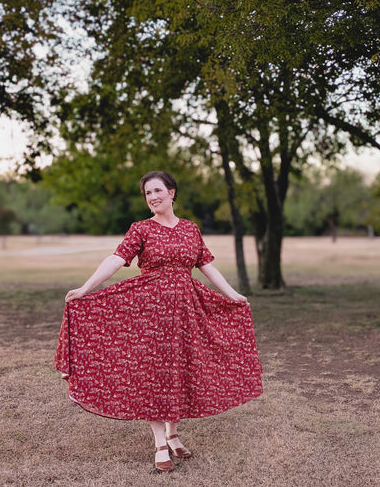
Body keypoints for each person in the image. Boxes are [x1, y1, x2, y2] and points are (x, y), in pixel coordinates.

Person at [53, 170, 262, 473]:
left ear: (172, 193)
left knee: (180, 369)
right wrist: (86, 288)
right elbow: (116, 259)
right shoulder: (141, 229)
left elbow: (206, 265)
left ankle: (174, 434)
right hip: (150, 313)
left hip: (186, 312)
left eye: (157, 191)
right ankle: (160, 444)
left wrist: (233, 294)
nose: (152, 198)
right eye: (147, 194)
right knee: (154, 374)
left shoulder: (191, 229)